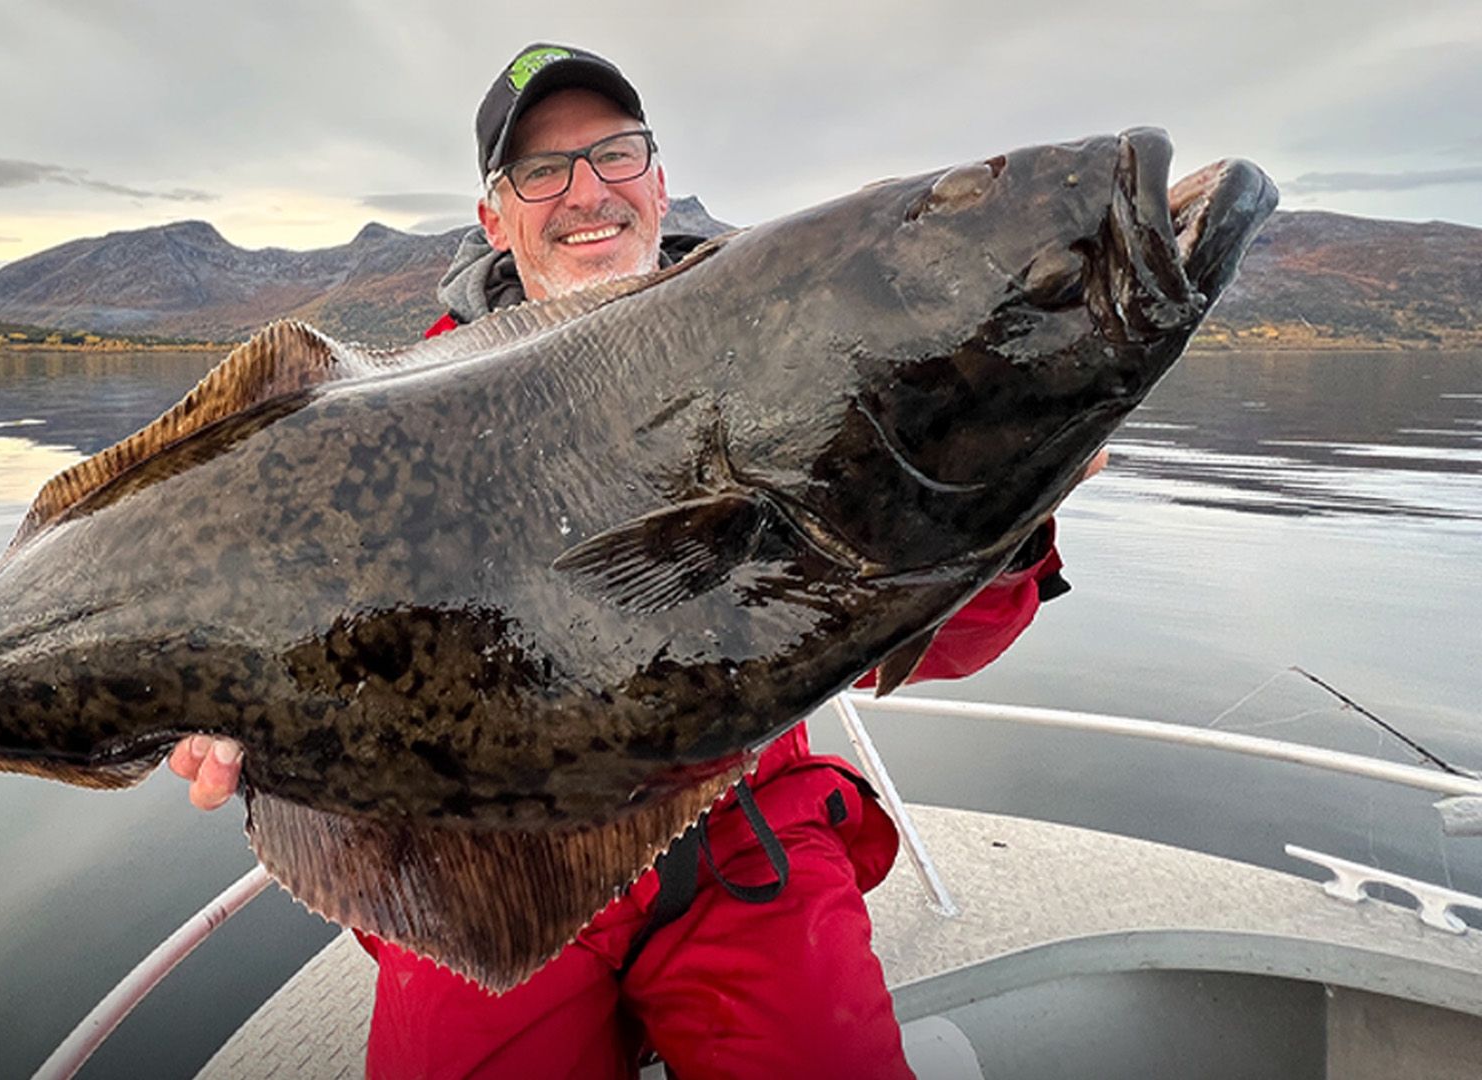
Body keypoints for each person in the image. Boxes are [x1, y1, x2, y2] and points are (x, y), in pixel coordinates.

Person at [170, 43, 1084, 1079]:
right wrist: (230, 700)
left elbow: (925, 638)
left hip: (745, 832)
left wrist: (1016, 506)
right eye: (541, 170)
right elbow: (291, 606)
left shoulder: (793, 335)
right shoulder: (393, 412)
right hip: (486, 849)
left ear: (657, 178)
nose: (585, 191)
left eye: (614, 153)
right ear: (495, 218)